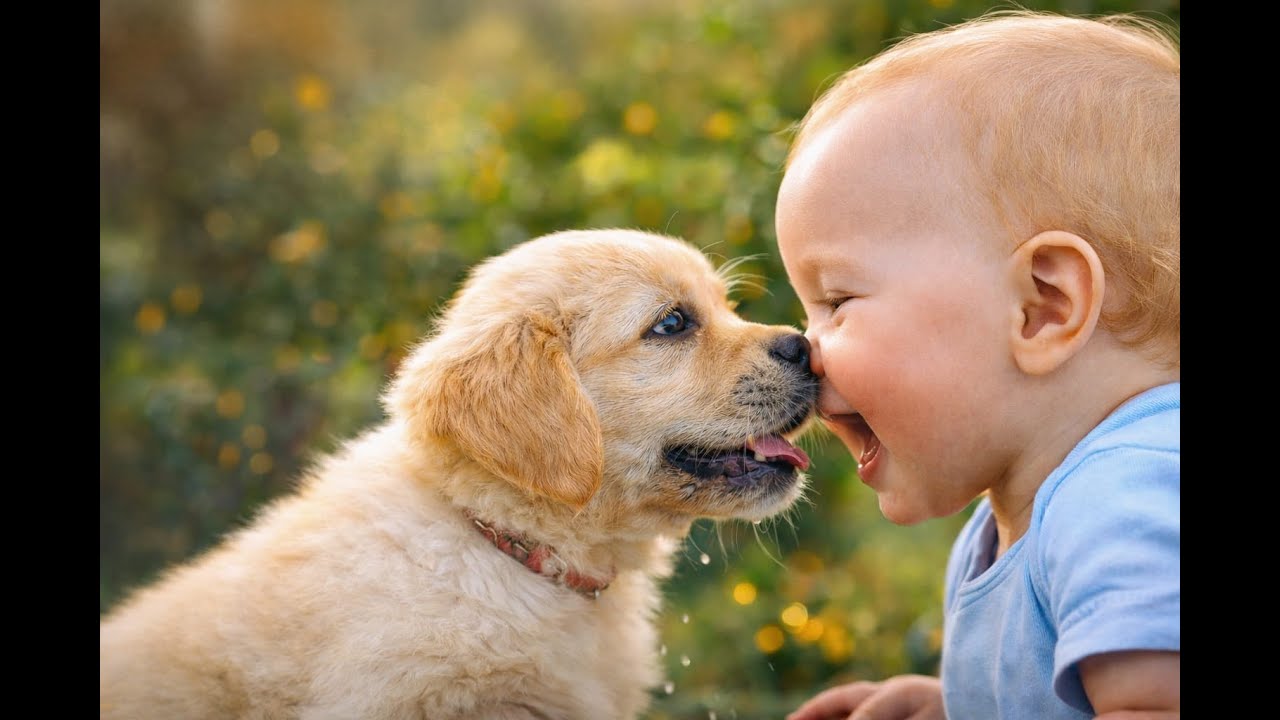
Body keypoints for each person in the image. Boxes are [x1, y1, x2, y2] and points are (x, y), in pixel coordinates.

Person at [774, 10, 1179, 719]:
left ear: (1042, 306)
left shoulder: (1123, 496)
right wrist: (954, 706)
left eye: (837, 301)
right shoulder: (1023, 515)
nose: (806, 351)